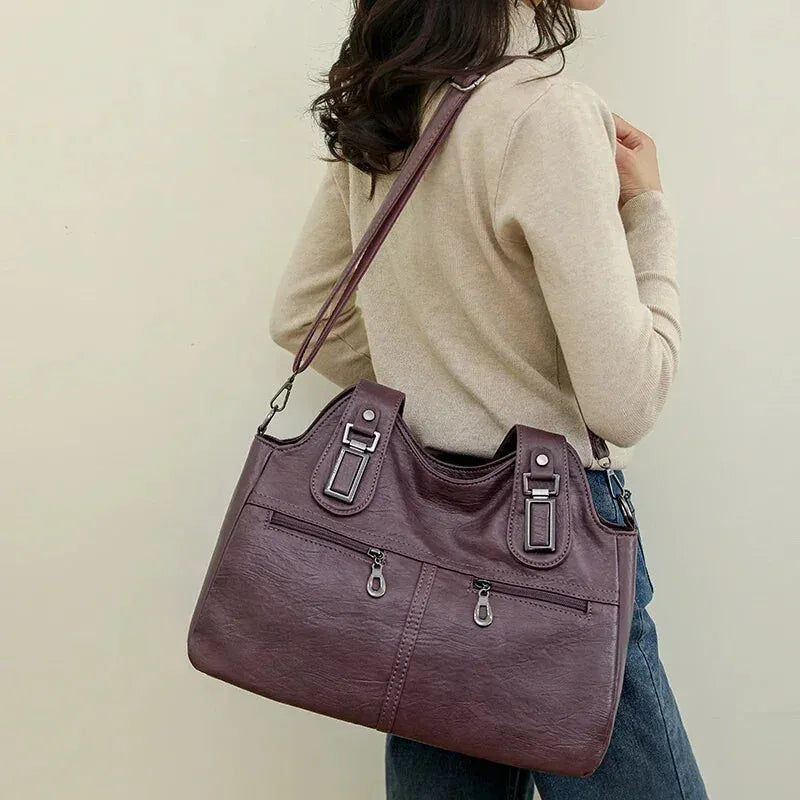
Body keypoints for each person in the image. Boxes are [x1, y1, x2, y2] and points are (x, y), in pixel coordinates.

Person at [268, 1, 708, 797]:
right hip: (553, 541)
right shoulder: (548, 114)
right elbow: (629, 401)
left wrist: (441, 391)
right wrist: (647, 212)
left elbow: (304, 317)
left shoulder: (392, 101)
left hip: (412, 538)